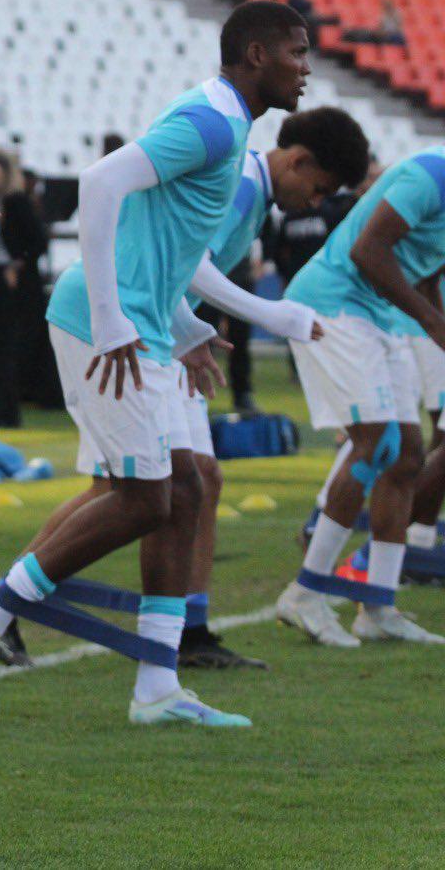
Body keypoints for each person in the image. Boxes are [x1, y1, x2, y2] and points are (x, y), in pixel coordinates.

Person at [0, 1, 312, 727]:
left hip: (140, 324)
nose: (306, 70)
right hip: (105, 325)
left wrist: (185, 325)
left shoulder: (229, 125)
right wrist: (115, 318)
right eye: (298, 53)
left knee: (184, 487)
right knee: (146, 497)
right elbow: (100, 182)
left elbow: (165, 246)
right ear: (257, 54)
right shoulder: (213, 120)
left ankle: (157, 686)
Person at [160, 110, 370, 667]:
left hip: (167, 333)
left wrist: (189, 332)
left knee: (198, 481)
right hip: (136, 330)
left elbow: (182, 270)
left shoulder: (255, 192)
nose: (315, 202)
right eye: (319, 188)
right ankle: (1, 605)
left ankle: (190, 631)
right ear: (297, 160)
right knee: (132, 497)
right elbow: (190, 266)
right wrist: (274, 315)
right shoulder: (245, 185)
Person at [272, 140, 445, 647]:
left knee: (406, 456)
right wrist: (432, 321)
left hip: (375, 313)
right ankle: (305, 593)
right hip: (334, 305)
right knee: (375, 444)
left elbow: (427, 272)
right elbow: (367, 250)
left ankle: (378, 607)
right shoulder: (431, 174)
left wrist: (436, 320)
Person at [0, 150, 48, 427]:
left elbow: (38, 242)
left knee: (4, 349)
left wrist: (17, 264)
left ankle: (1, 413)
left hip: (15, 286)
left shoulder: (16, 201)